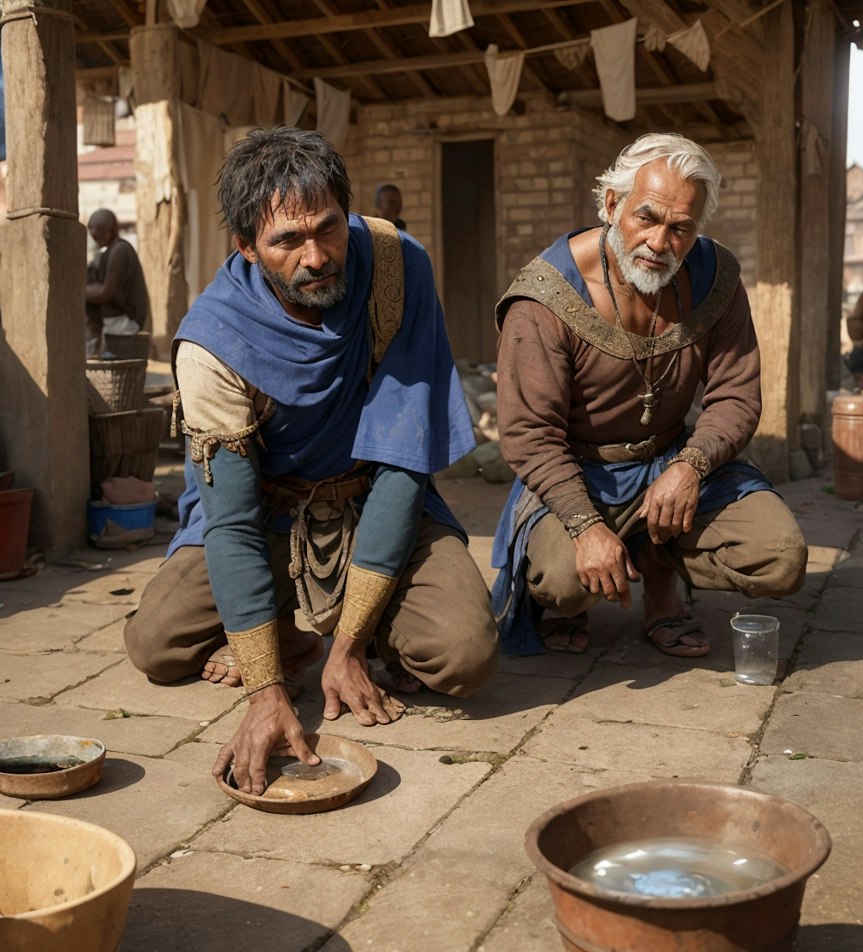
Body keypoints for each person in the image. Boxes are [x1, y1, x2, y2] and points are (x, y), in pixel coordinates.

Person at [123, 127, 498, 794]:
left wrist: (350, 644)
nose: (317, 255)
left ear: (346, 214)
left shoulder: (396, 271)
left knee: (464, 657)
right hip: (267, 515)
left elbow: (402, 462)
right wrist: (267, 690)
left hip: (372, 494)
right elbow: (233, 524)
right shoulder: (211, 345)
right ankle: (288, 643)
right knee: (156, 644)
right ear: (246, 248)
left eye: (328, 229)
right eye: (286, 241)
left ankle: (361, 639)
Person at [490, 133, 807, 658]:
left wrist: (691, 466)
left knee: (780, 557)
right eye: (647, 218)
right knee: (564, 583)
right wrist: (586, 525)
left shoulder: (716, 278)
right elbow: (530, 436)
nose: (660, 243)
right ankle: (568, 597)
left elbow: (736, 397)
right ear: (612, 205)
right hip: (579, 472)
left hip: (670, 462)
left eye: (681, 228)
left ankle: (661, 575)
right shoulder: (545, 298)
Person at [85, 209, 150, 357]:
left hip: (126, 322)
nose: (97, 240)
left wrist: (78, 293)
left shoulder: (120, 250)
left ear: (110, 231)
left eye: (99, 235)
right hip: (115, 320)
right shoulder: (107, 251)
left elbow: (106, 293)